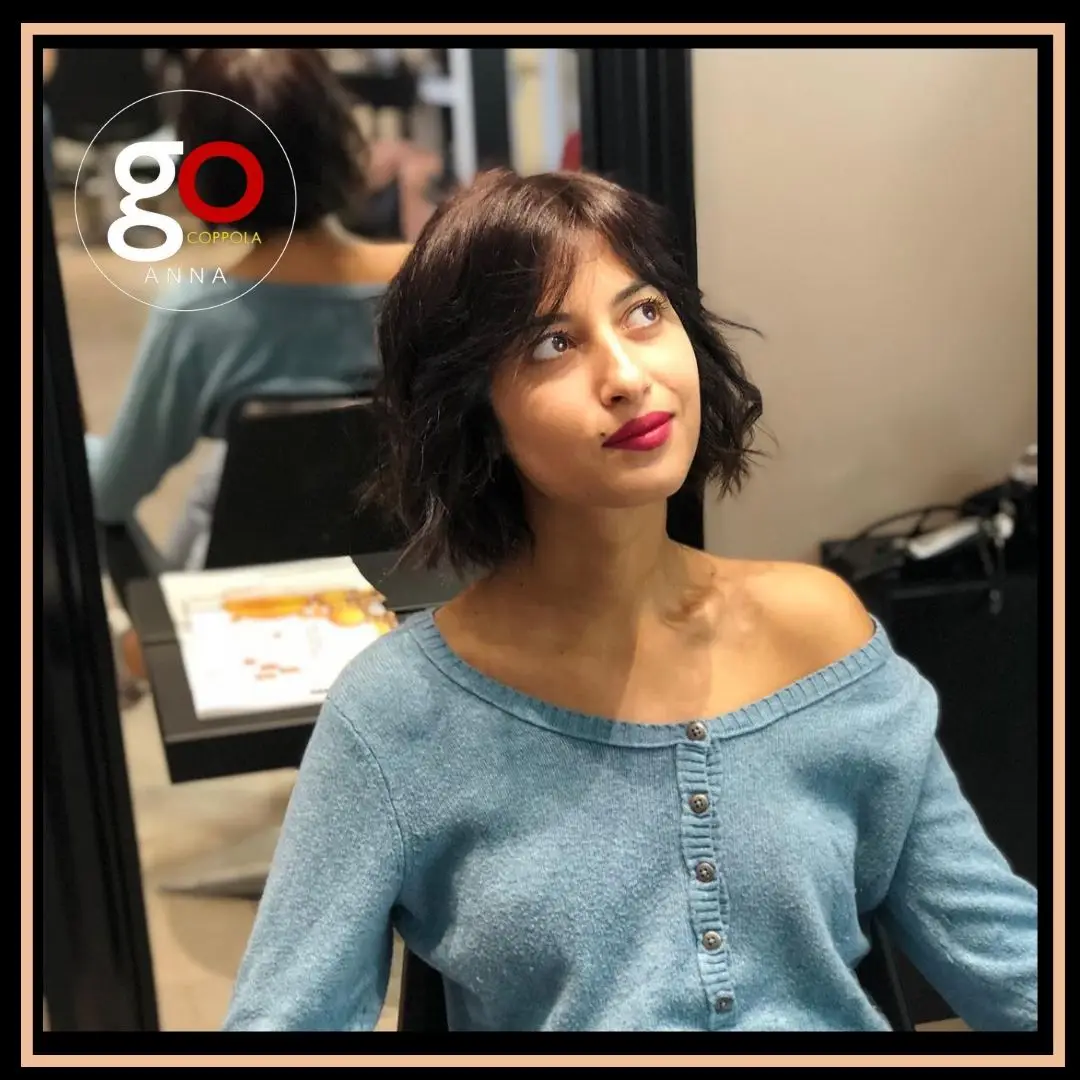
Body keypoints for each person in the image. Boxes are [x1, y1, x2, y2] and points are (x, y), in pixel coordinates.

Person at [221, 169, 1039, 1032]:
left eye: (644, 312)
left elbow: (1001, 953)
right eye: (552, 344)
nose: (625, 375)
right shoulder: (397, 716)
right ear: (476, 414)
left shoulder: (819, 634)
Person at [84, 48, 412, 586]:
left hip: (247, 600)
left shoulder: (197, 315)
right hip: (406, 578)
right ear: (338, 136)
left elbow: (110, 495)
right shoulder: (426, 281)